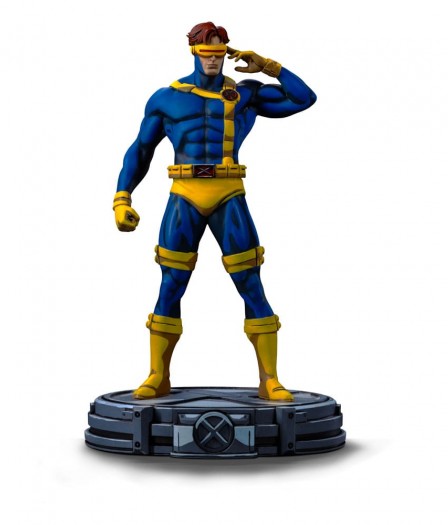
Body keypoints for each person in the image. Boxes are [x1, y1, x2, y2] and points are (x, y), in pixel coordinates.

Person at [113, 22, 316, 401]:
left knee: (250, 282)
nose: (213, 58)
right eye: (206, 51)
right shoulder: (167, 99)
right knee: (171, 283)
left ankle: (270, 379)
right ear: (193, 51)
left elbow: (304, 98)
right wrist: (122, 197)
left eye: (219, 51)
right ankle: (158, 375)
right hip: (184, 193)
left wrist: (268, 66)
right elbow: (141, 149)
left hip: (228, 192)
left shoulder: (245, 94)